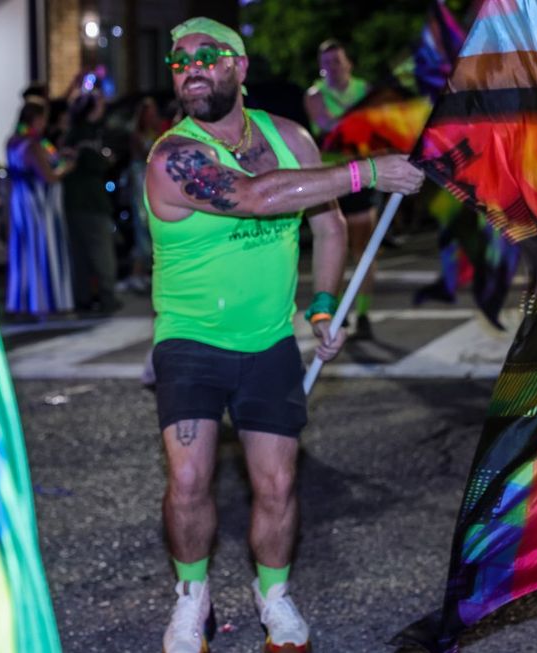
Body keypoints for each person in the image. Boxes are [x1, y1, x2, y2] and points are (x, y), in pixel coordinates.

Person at [145, 18, 424, 653]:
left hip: (269, 339)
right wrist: (366, 173)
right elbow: (252, 196)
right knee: (189, 478)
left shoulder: (289, 136)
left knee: (276, 482)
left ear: (238, 68)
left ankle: (274, 595)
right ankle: (192, 598)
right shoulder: (173, 156)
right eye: (179, 58)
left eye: (208, 55)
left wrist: (323, 308)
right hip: (190, 337)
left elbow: (326, 227)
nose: (190, 66)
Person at [305, 40, 380, 339]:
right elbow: (327, 125)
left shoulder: (365, 89)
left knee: (363, 250)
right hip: (331, 179)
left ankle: (363, 313)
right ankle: (335, 310)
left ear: (349, 64)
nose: (332, 68)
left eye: (337, 61)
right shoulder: (314, 94)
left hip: (362, 178)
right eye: (326, 63)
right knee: (333, 246)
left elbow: (374, 128)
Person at [5, 99, 76, 315]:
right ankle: (47, 300)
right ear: (36, 119)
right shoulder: (33, 144)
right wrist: (67, 167)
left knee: (25, 249)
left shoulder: (13, 141)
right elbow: (48, 176)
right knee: (44, 248)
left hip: (21, 200)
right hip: (39, 204)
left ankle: (23, 300)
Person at [63, 88, 121, 313]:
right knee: (101, 251)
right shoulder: (88, 137)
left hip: (73, 200)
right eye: (99, 104)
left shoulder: (72, 133)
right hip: (91, 200)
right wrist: (106, 160)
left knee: (79, 254)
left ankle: (83, 297)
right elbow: (97, 164)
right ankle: (107, 297)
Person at [124, 97, 165, 294]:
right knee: (142, 225)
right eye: (146, 114)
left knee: (153, 225)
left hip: (154, 181)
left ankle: (148, 272)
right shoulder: (136, 135)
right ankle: (137, 273)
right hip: (141, 181)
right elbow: (141, 155)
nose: (150, 117)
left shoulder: (159, 132)